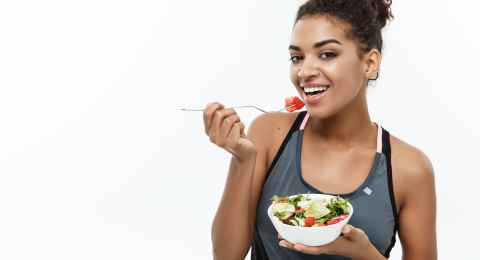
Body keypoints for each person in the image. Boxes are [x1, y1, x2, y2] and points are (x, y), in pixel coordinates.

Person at [202, 0, 437, 259]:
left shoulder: (409, 169)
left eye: (327, 54)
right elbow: (225, 256)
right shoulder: (269, 135)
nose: (305, 71)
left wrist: (366, 255)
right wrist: (242, 159)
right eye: (297, 57)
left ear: (369, 63)